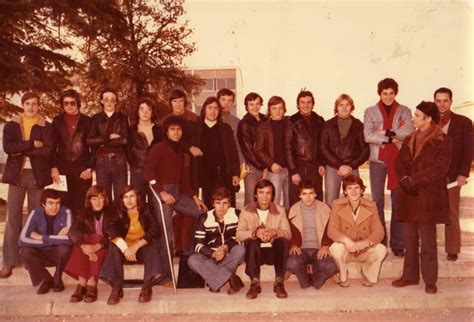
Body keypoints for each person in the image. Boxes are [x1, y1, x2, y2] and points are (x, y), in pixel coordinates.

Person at [392, 101, 452, 294]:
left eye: (417, 115)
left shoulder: (443, 139)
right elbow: (399, 163)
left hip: (429, 198)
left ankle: (430, 280)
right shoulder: (410, 137)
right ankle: (410, 276)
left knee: (428, 241)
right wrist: (404, 180)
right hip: (409, 195)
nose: (413, 118)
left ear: (428, 119)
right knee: (409, 239)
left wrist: (414, 180)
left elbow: (440, 169)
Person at [144, 115, 206, 281]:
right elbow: (148, 172)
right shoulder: (159, 148)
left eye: (178, 129)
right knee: (167, 232)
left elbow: (183, 181)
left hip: (178, 193)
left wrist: (194, 197)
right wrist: (161, 192)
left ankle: (188, 250)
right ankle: (166, 275)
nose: (176, 132)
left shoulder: (180, 151)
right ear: (166, 131)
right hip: (162, 193)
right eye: (172, 129)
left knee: (202, 214)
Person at [1, 92, 54, 279]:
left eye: (35, 104)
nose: (31, 107)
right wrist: (32, 144)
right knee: (13, 216)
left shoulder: (46, 126)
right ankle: (8, 260)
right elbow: (8, 147)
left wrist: (23, 147)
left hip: (37, 175)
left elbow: (48, 151)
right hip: (16, 174)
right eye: (28, 104)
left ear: (39, 106)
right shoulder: (12, 125)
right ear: (23, 105)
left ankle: (30, 258)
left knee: (35, 216)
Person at [363, 78, 413, 257]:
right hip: (377, 161)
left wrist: (386, 132)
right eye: (385, 93)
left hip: (398, 161)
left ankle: (398, 243)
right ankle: (380, 240)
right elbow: (368, 135)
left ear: (395, 93)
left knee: (398, 201)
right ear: (380, 94)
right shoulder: (370, 111)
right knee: (377, 202)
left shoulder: (405, 110)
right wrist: (391, 138)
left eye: (391, 93)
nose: (388, 97)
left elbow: (408, 132)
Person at [100, 186, 162, 304]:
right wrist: (125, 249)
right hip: (125, 252)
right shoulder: (118, 210)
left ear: (138, 198)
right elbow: (110, 229)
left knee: (152, 245)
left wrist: (136, 246)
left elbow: (155, 230)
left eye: (132, 196)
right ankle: (117, 288)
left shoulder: (147, 209)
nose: (128, 200)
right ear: (122, 200)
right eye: (125, 197)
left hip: (142, 250)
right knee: (114, 245)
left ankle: (146, 287)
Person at [433, 87, 473, 261]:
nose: (442, 104)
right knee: (429, 213)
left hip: (452, 175)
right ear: (434, 101)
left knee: (452, 212)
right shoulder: (429, 121)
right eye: (438, 100)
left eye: (445, 100)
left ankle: (452, 248)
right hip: (431, 176)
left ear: (451, 101)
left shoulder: (463, 122)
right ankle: (429, 248)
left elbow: (468, 150)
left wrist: (463, 173)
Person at [327, 175, 387, 287]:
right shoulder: (337, 205)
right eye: (349, 188)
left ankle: (368, 273)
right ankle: (343, 275)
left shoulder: (371, 206)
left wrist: (365, 243)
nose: (353, 191)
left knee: (381, 249)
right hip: (346, 248)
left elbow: (379, 231)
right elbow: (331, 230)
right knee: (335, 248)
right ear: (345, 191)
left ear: (362, 190)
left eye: (356, 187)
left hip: (363, 248)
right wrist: (346, 241)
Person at [236, 179, 291, 299]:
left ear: (272, 195)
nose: (264, 196)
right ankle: (255, 283)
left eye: (268, 193)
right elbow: (239, 234)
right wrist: (255, 233)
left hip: (273, 253)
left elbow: (288, 234)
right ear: (255, 194)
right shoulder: (246, 211)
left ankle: (279, 282)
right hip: (254, 255)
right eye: (261, 192)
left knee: (281, 241)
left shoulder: (280, 211)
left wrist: (274, 232)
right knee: (252, 241)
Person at [188, 187, 245, 294]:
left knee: (241, 249)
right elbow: (197, 245)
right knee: (192, 260)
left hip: (230, 256)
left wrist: (226, 247)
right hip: (211, 258)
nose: (221, 207)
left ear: (229, 204)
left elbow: (242, 238)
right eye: (218, 203)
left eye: (225, 203)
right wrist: (212, 253)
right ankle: (231, 278)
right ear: (213, 204)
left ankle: (214, 278)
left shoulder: (238, 215)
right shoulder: (204, 218)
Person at [65, 185, 113, 303]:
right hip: (88, 250)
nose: (97, 202)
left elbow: (113, 234)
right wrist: (85, 247)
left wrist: (96, 247)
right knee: (83, 238)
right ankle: (82, 282)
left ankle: (91, 282)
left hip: (106, 247)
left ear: (105, 199)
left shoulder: (112, 212)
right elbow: (73, 231)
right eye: (94, 199)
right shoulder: (83, 213)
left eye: (100, 198)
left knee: (95, 237)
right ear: (89, 200)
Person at [286, 180, 338, 289]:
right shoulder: (291, 211)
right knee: (292, 263)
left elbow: (332, 230)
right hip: (301, 250)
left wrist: (325, 245)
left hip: (319, 249)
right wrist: (292, 245)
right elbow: (286, 232)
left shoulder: (326, 209)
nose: (308, 197)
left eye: (310, 193)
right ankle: (305, 280)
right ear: (299, 195)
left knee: (330, 267)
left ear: (315, 194)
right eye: (304, 194)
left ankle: (316, 279)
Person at [18, 189, 72, 294]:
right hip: (40, 253)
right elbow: (22, 240)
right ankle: (46, 279)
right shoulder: (35, 213)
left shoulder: (66, 212)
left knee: (65, 248)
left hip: (57, 254)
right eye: (50, 203)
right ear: (43, 204)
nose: (55, 207)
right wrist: (56, 239)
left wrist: (42, 237)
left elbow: (69, 240)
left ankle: (57, 278)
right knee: (24, 252)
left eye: (57, 203)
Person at [320, 94, 369, 206]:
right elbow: (323, 148)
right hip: (333, 167)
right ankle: (332, 224)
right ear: (336, 107)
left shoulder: (358, 125)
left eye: (347, 105)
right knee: (331, 202)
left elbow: (365, 150)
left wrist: (351, 165)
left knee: (355, 200)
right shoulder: (328, 125)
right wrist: (339, 165)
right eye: (341, 105)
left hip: (352, 167)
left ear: (351, 107)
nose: (344, 108)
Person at [190, 96, 240, 208]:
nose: (213, 111)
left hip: (224, 173)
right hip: (205, 174)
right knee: (210, 204)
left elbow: (233, 152)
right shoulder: (196, 128)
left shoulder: (225, 128)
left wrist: (235, 173)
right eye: (210, 108)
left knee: (228, 205)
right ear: (204, 109)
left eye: (216, 108)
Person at [51, 89, 93, 216]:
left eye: (72, 103)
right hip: (62, 168)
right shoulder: (57, 121)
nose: (69, 106)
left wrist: (90, 168)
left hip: (82, 168)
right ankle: (65, 233)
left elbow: (94, 147)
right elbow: (52, 146)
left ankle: (79, 234)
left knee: (81, 204)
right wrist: (53, 167)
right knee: (64, 203)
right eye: (66, 103)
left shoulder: (88, 121)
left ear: (78, 103)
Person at [86, 87, 129, 202]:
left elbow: (124, 140)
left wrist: (101, 141)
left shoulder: (122, 117)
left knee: (121, 197)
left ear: (116, 101)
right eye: (106, 99)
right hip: (101, 161)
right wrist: (108, 137)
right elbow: (89, 140)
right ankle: (108, 220)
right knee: (104, 197)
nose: (109, 102)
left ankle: (121, 220)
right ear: (101, 101)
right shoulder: (95, 119)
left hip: (119, 160)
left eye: (112, 99)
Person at [286, 90, 325, 205]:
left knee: (316, 201)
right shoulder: (291, 121)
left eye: (309, 102)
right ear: (298, 104)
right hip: (298, 167)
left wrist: (322, 163)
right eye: (302, 102)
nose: (306, 105)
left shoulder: (320, 120)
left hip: (315, 169)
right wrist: (293, 171)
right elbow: (287, 147)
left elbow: (323, 144)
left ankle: (317, 224)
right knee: (296, 202)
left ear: (313, 104)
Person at [255, 96, 291, 209]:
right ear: (269, 110)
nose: (277, 111)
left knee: (290, 202)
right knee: (274, 202)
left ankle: (287, 226)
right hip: (275, 171)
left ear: (284, 110)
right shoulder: (263, 127)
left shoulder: (290, 124)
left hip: (290, 169)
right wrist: (271, 164)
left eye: (280, 108)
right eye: (274, 108)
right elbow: (258, 150)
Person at [128, 98, 163, 200]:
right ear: (137, 111)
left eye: (148, 109)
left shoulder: (159, 130)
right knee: (138, 203)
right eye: (142, 109)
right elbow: (127, 150)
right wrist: (134, 166)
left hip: (155, 173)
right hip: (138, 172)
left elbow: (162, 150)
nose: (145, 112)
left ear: (152, 112)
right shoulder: (131, 130)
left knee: (155, 203)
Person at [237, 92, 268, 206]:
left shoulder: (266, 120)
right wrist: (262, 167)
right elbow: (247, 150)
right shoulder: (244, 123)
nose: (255, 107)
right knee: (251, 201)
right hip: (253, 168)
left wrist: (267, 166)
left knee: (266, 200)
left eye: (257, 104)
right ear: (246, 106)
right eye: (251, 104)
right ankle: (249, 224)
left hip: (267, 166)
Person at [217, 88, 244, 164]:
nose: (226, 103)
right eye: (223, 99)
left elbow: (238, 146)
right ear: (218, 100)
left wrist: (242, 163)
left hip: (230, 163)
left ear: (233, 103)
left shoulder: (237, 122)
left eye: (230, 100)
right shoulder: (210, 119)